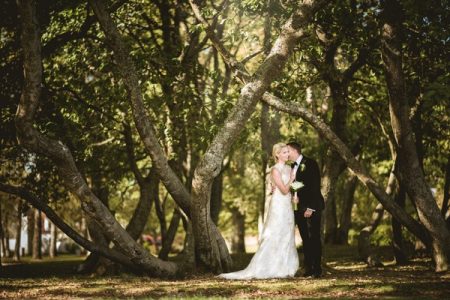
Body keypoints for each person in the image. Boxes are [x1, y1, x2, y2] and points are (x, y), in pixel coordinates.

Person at [219, 143, 299, 279]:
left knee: (287, 234)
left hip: (287, 205)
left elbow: (290, 190)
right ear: (277, 154)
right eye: (284, 152)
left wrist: (295, 195)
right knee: (275, 234)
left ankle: (286, 267)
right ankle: (269, 267)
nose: (287, 154)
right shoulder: (275, 170)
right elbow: (284, 190)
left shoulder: (288, 168)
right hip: (279, 205)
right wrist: (291, 180)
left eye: (287, 152)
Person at [287, 141, 325, 278]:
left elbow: (314, 186)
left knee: (314, 237)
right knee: (305, 239)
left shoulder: (310, 163)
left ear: (294, 150)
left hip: (312, 207)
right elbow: (298, 185)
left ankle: (317, 269)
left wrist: (311, 208)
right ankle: (308, 268)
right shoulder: (292, 166)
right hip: (298, 208)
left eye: (287, 151)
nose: (286, 154)